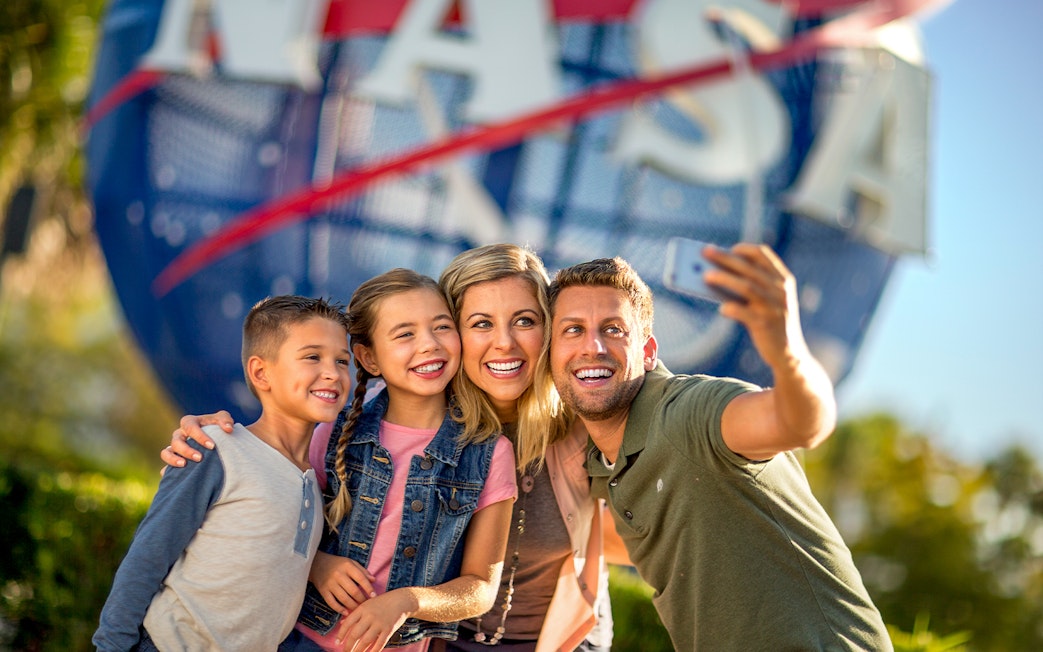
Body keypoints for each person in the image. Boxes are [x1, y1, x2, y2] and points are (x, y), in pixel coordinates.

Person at [165, 245, 623, 651]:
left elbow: (642, 375)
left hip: (553, 639)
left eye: (525, 320)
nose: (504, 341)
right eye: (480, 323)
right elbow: (272, 500)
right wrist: (224, 437)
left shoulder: (585, 419)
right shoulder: (348, 431)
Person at [546, 244, 892, 651]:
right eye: (572, 330)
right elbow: (594, 536)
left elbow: (803, 422)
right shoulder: (599, 464)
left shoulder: (690, 412)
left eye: (613, 329)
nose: (593, 347)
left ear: (649, 351)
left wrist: (787, 349)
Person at [93, 295, 353, 651]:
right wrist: (111, 646)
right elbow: (148, 555)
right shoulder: (217, 447)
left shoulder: (317, 479)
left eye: (342, 360)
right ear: (261, 373)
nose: (333, 373)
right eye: (312, 357)